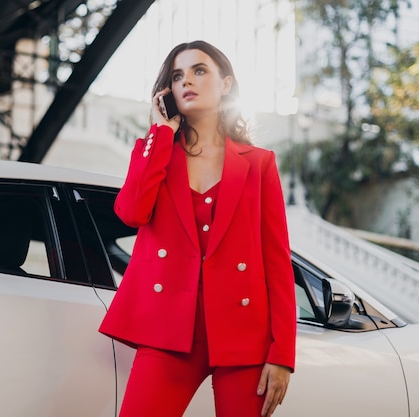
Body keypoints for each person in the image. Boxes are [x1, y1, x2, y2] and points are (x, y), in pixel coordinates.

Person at [99, 40, 296, 417]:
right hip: (167, 330)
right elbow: (131, 212)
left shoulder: (259, 164)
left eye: (199, 70)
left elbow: (277, 262)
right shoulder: (154, 152)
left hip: (245, 334)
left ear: (226, 84)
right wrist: (160, 134)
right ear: (167, 92)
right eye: (177, 75)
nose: (186, 80)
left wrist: (282, 354)